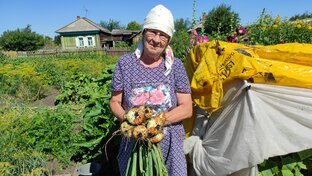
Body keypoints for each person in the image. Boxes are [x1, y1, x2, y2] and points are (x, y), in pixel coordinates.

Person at [109, 4, 193, 176]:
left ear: (169, 40)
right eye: (152, 32)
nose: (156, 39)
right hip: (135, 141)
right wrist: (131, 121)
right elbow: (115, 102)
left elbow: (187, 108)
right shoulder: (125, 64)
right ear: (143, 32)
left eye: (163, 35)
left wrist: (156, 123)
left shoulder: (175, 66)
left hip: (170, 144)